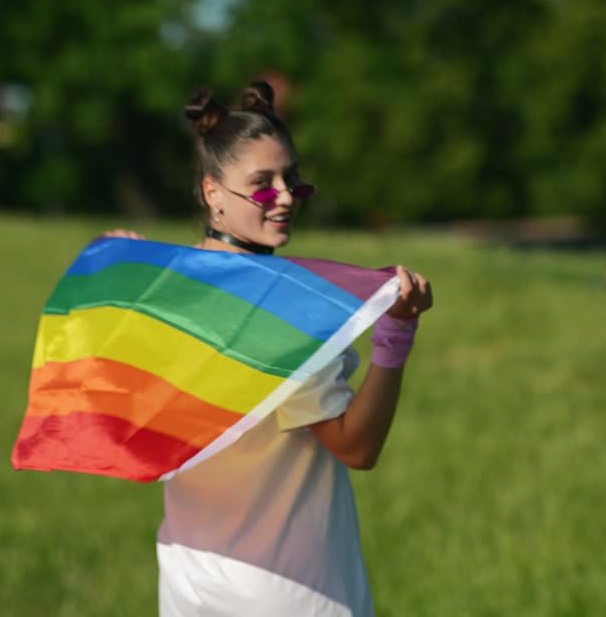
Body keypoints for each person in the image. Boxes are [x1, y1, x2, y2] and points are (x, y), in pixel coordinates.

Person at [109, 81, 432, 616]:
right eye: (262, 184)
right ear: (213, 192)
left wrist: (119, 287)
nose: (283, 196)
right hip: (293, 594)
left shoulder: (160, 295)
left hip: (191, 588)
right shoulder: (284, 312)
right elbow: (357, 447)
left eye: (292, 180)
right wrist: (397, 336)